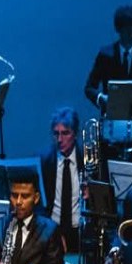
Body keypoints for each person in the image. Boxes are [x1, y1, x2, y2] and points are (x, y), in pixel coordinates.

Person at [84, 4, 132, 110]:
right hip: (111, 113)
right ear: (119, 30)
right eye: (128, 32)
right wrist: (101, 98)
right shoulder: (105, 55)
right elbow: (89, 87)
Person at [40, 107, 85, 252]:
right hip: (51, 231)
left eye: (65, 133)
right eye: (56, 134)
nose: (60, 140)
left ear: (75, 134)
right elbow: (39, 204)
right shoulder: (44, 161)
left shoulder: (87, 161)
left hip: (80, 232)